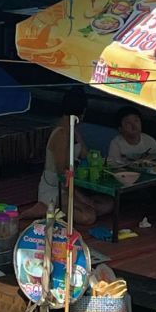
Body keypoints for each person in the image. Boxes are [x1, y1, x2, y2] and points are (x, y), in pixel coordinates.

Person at [30, 88, 112, 225]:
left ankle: (62, 209)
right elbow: (63, 174)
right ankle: (48, 207)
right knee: (88, 216)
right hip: (56, 188)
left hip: (72, 185)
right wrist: (82, 198)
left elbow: (86, 154)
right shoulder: (61, 135)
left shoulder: (73, 131)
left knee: (109, 203)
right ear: (82, 112)